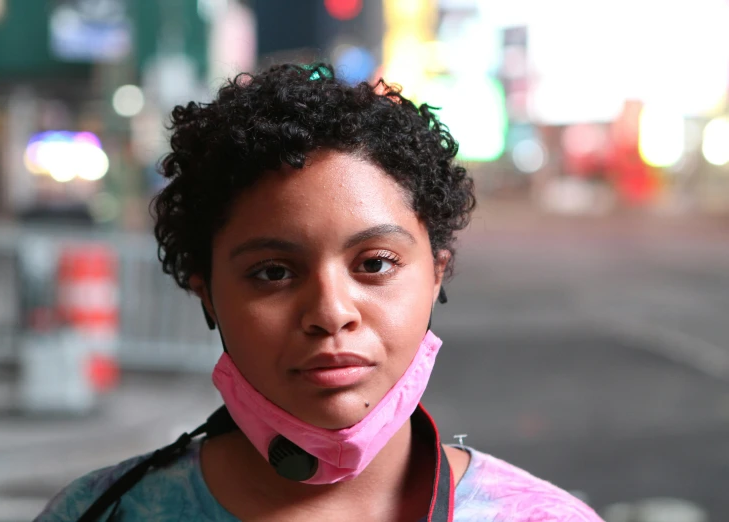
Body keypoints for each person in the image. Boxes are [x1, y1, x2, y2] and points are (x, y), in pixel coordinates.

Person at [37, 63, 603, 522]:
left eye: (375, 263)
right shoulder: (102, 514)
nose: (331, 313)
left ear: (436, 274)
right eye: (274, 273)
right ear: (206, 293)